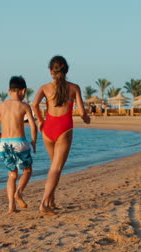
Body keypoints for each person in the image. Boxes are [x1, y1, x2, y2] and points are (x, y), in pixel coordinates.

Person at [32, 55, 90, 215]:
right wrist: (87, 119)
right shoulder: (74, 88)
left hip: (48, 128)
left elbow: (34, 104)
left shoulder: (45, 88)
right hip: (64, 128)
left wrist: (40, 120)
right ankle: (44, 203)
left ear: (51, 71)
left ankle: (51, 201)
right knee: (56, 168)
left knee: (53, 167)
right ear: (67, 70)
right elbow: (82, 112)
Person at [0, 76, 37, 213]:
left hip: (4, 144)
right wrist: (34, 141)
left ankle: (11, 207)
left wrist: (1, 137)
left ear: (9, 91)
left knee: (12, 175)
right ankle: (19, 192)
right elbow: (33, 126)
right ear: (23, 91)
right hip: (19, 142)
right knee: (27, 171)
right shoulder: (24, 106)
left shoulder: (1, 106)